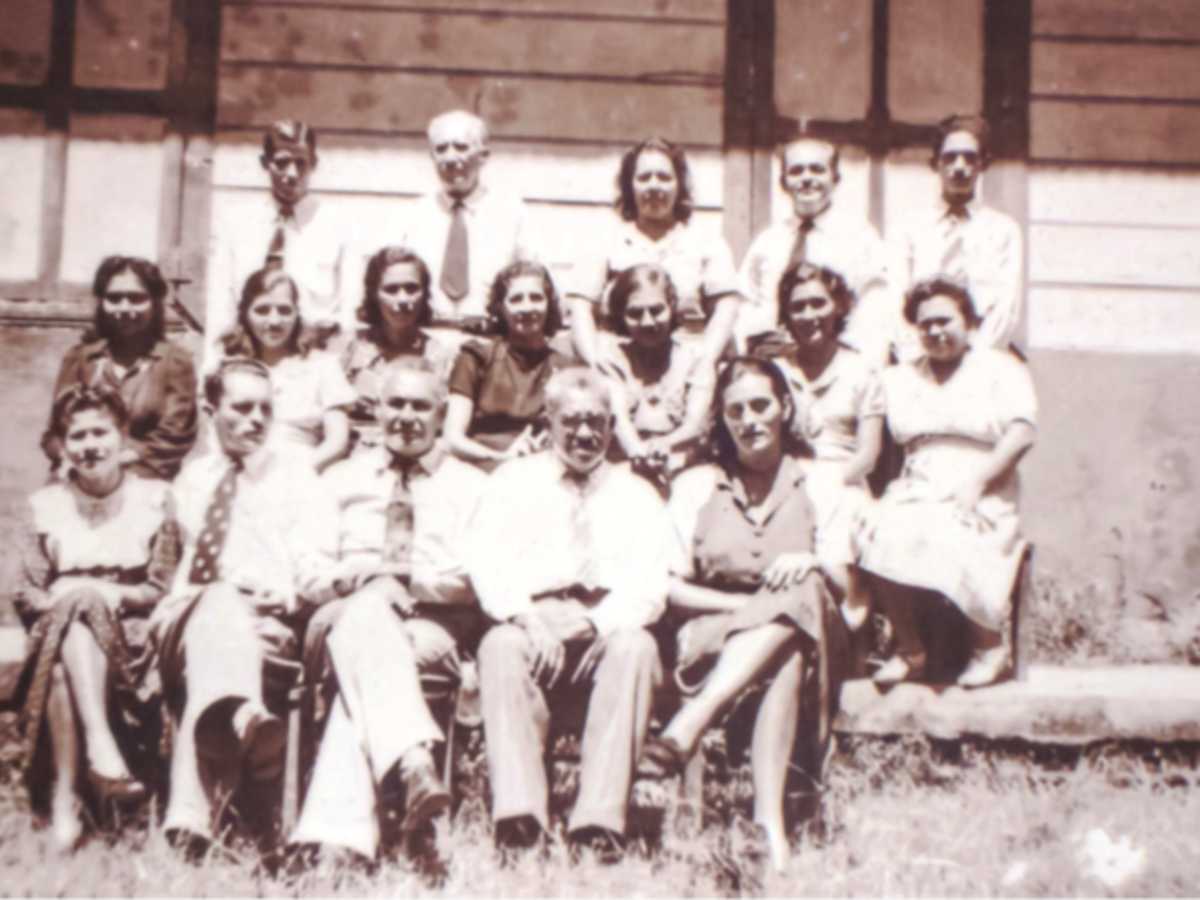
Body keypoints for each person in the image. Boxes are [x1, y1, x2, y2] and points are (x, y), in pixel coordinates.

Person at [638, 357, 842, 873]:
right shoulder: (697, 484)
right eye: (736, 410)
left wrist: (812, 558)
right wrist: (747, 608)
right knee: (784, 640)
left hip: (814, 632)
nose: (750, 419)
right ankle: (769, 827)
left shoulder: (821, 481)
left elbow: (852, 588)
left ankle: (689, 725)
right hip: (713, 625)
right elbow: (668, 588)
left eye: (761, 405)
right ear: (723, 420)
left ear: (785, 408)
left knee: (803, 597)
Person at [468, 366, 674, 861]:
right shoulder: (512, 482)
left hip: (606, 627)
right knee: (499, 646)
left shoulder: (637, 494)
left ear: (611, 424)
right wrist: (530, 620)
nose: (585, 433)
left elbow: (651, 586)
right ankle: (520, 820)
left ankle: (598, 824)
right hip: (533, 624)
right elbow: (486, 565)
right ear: (549, 419)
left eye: (597, 422)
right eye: (572, 421)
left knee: (637, 646)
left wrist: (593, 623)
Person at [291, 358, 487, 863]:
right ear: (375, 409)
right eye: (394, 403)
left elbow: (479, 578)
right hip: (337, 616)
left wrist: (405, 581)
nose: (405, 415)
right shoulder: (338, 479)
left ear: (442, 414)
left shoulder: (472, 487)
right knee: (366, 616)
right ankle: (414, 759)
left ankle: (337, 845)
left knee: (363, 673)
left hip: (431, 626)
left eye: (420, 405)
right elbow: (308, 570)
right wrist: (364, 580)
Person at [149, 357, 337, 848]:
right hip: (185, 621)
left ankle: (191, 817)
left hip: (265, 626)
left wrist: (293, 593)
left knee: (227, 623)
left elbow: (318, 565)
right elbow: (168, 568)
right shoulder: (189, 480)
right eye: (242, 407)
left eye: (266, 410)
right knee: (217, 601)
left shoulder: (298, 479)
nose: (256, 419)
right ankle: (249, 722)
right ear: (212, 410)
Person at [15, 386, 179, 851]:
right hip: (57, 624)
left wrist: (105, 594)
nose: (89, 445)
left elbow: (160, 586)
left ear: (122, 436)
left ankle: (67, 798)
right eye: (76, 436)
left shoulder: (155, 498)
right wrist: (70, 600)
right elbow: (25, 590)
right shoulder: (45, 505)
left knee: (70, 659)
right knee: (72, 621)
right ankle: (102, 754)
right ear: (62, 446)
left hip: (131, 629)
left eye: (100, 433)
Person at [855, 277, 1037, 688]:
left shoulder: (1001, 367)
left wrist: (977, 481)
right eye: (925, 325)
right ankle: (910, 648)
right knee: (876, 529)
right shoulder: (901, 377)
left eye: (944, 321)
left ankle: (989, 645)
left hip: (986, 478)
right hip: (919, 479)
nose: (935, 332)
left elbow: (1022, 433)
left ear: (969, 321)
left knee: (956, 531)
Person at [755, 262, 883, 629]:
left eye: (818, 304)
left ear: (838, 307)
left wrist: (825, 483)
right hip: (784, 478)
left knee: (840, 514)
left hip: (845, 481)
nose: (809, 315)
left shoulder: (861, 370)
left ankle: (850, 612)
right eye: (798, 307)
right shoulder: (776, 368)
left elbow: (868, 455)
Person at [566, 137, 742, 367]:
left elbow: (726, 308)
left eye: (664, 177)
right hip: (618, 362)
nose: (654, 186)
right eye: (644, 177)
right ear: (630, 185)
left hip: (688, 362)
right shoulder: (605, 241)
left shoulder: (706, 242)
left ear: (679, 185)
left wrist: (706, 363)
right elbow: (580, 307)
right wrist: (595, 363)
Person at [206, 120, 363, 366]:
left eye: (301, 163)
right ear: (264, 163)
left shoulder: (340, 225)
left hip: (316, 358)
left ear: (314, 163)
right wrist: (213, 363)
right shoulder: (235, 223)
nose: (291, 174)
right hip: (248, 355)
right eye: (281, 163)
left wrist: (337, 362)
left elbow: (350, 309)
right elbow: (219, 304)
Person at [737, 133, 894, 364]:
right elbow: (745, 303)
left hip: (837, 361)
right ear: (783, 182)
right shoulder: (769, 241)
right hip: (774, 364)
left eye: (817, 170)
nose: (807, 178)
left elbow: (875, 307)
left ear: (835, 178)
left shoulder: (859, 237)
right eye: (796, 171)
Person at [45, 255, 197, 481]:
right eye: (114, 298)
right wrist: (68, 459)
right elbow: (55, 432)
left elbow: (174, 438)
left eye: (136, 298)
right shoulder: (80, 359)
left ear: (155, 303)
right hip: (81, 479)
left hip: (144, 483)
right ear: (101, 302)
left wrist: (115, 467)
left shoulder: (174, 362)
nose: (125, 308)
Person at [393, 110, 534, 346]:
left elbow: (535, 281)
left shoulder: (513, 213)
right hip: (424, 340)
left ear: (483, 156)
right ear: (431, 156)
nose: (450, 158)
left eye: (460, 147)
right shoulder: (413, 214)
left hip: (492, 341)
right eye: (441, 149)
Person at [894, 115, 1023, 357]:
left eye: (970, 158)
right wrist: (916, 357)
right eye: (950, 157)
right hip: (920, 353)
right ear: (935, 164)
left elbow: (1006, 307)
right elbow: (895, 300)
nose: (960, 166)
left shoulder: (1003, 230)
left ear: (983, 164)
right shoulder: (908, 228)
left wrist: (975, 361)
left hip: (983, 354)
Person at [217, 267, 355, 472]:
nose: (274, 321)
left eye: (284, 310)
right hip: (238, 473)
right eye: (262, 310)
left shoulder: (322, 366)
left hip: (302, 473)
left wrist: (294, 475)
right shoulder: (227, 368)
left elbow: (337, 442)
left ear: (297, 314)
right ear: (245, 314)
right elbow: (214, 438)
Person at [443, 261, 574, 469]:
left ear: (549, 304)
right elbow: (452, 439)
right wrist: (500, 458)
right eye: (516, 299)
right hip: (479, 467)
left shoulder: (564, 368)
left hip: (540, 468)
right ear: (500, 308)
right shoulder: (476, 357)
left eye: (536, 298)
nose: (527, 307)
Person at [596, 264, 716, 476]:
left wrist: (662, 446)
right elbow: (619, 421)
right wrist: (639, 453)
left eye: (656, 310)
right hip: (626, 465)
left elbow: (695, 425)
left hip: (684, 465)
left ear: (671, 306)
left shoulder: (695, 359)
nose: (647, 322)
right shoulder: (611, 359)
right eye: (635, 313)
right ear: (621, 315)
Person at [340, 246, 457, 451]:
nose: (403, 300)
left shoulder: (442, 357)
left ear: (425, 294)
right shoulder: (349, 350)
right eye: (391, 289)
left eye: (411, 289)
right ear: (374, 294)